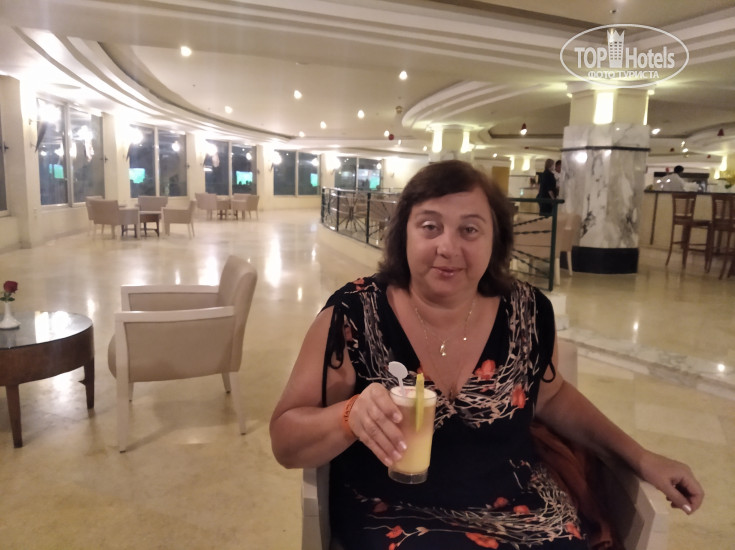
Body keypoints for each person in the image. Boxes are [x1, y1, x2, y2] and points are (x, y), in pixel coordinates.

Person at [270, 160, 703, 550]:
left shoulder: (527, 311)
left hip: (522, 508)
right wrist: (349, 416)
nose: (448, 247)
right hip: (397, 513)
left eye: (470, 230)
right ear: (403, 234)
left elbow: (551, 396)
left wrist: (641, 457)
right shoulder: (354, 313)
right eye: (430, 226)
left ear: (496, 239)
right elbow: (285, 441)